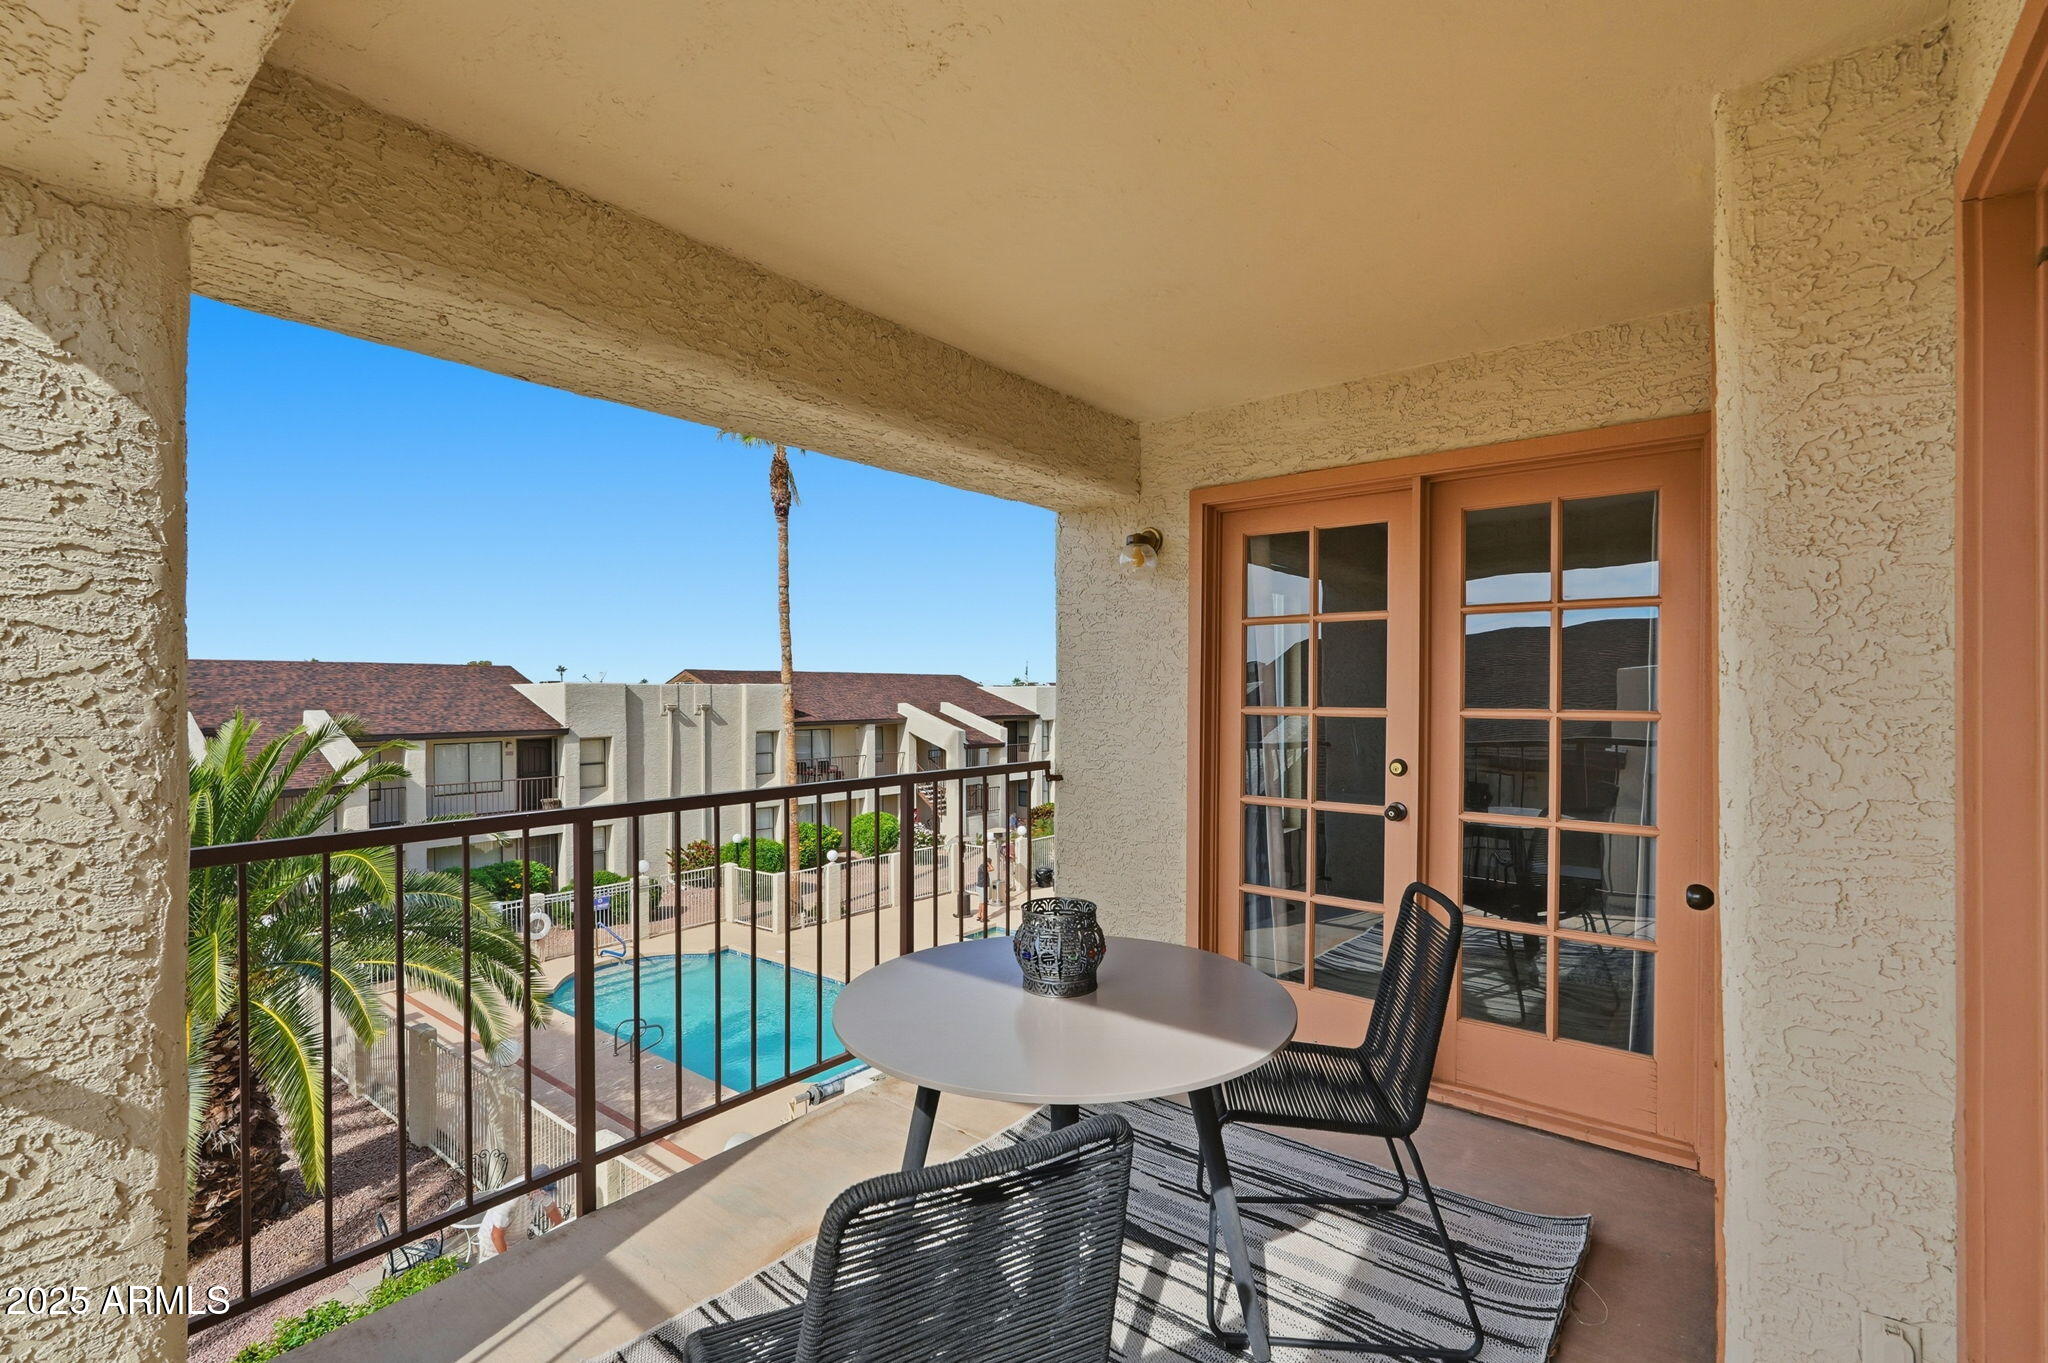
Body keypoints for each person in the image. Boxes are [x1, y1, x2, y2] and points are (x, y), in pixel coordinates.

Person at [477, 1182, 564, 1261]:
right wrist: (507, 1262)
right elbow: (496, 1235)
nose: (545, 1195)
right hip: (493, 1246)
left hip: (518, 1240)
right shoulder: (511, 1198)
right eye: (544, 1193)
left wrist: (562, 1233)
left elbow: (552, 1210)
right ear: (535, 1190)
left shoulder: (540, 1189)